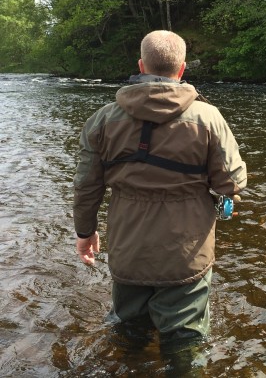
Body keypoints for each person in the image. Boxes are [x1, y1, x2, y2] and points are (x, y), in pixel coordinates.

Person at [73, 30, 247, 340]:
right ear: (182, 70)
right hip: (186, 255)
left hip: (128, 249)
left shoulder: (101, 120)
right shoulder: (208, 118)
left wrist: (85, 233)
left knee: (129, 333)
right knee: (186, 342)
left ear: (141, 66)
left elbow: (87, 187)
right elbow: (231, 181)